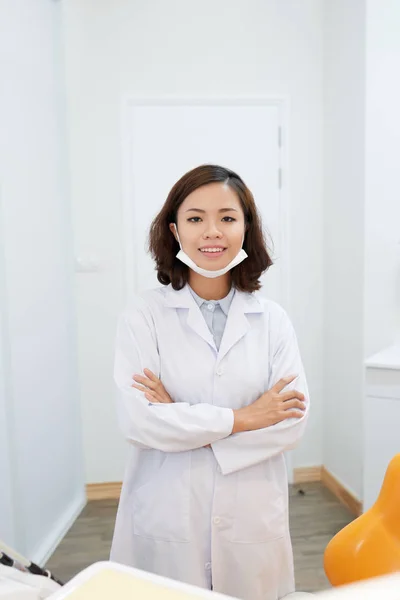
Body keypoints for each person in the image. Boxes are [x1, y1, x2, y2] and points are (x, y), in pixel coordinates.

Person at [110, 164, 310, 600]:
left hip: (251, 507)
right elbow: (138, 421)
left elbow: (291, 421)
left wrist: (180, 420)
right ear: (175, 230)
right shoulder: (143, 315)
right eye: (196, 218)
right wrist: (245, 418)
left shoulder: (273, 320)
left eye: (227, 217)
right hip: (168, 506)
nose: (211, 232)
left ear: (246, 228)